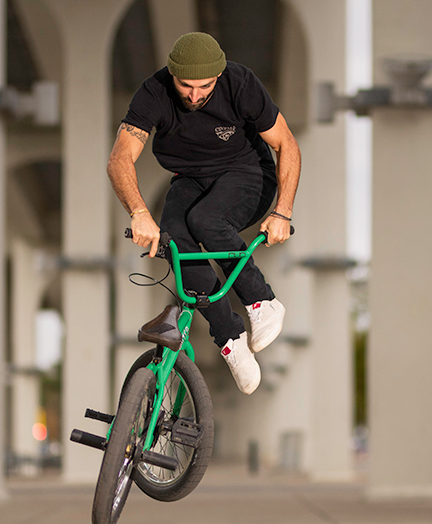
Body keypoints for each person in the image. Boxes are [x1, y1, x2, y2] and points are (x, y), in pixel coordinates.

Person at [107, 32, 300, 395]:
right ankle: (231, 339)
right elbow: (120, 157)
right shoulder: (154, 93)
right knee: (174, 240)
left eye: (204, 87)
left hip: (248, 174)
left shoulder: (241, 84)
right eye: (185, 86)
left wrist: (282, 212)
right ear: (172, 75)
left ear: (219, 76)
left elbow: (285, 143)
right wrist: (138, 212)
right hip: (191, 179)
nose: (194, 96)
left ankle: (262, 301)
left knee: (205, 220)